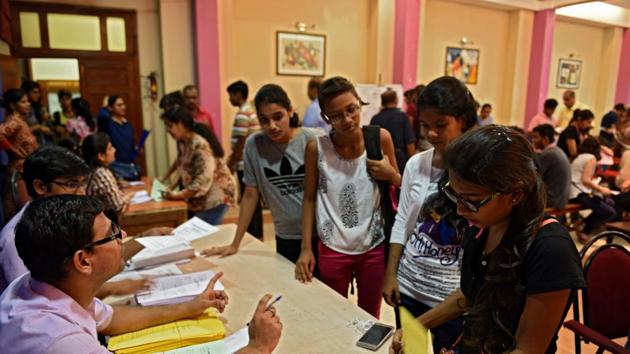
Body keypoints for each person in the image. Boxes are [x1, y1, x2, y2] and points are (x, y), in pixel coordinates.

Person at [0, 195, 282, 354]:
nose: (123, 235)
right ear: (83, 261)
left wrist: (190, 307)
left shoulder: (40, 286)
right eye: (112, 234)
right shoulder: (61, 342)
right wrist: (257, 348)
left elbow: (111, 318)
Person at [391, 125, 586, 354]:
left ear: (515, 194)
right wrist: (416, 326)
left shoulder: (551, 250)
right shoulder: (482, 225)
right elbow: (471, 295)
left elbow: (527, 349)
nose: (461, 210)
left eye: (472, 200)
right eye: (454, 194)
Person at [382, 76, 477, 351]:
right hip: (410, 288)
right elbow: (403, 221)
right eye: (425, 126)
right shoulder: (416, 164)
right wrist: (391, 274)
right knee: (410, 349)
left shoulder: (476, 173)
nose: (432, 134)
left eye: (441, 125)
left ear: (463, 122)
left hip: (450, 300)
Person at [295, 76, 401, 318]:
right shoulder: (317, 148)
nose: (347, 120)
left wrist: (390, 174)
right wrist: (306, 248)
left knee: (370, 316)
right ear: (325, 118)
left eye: (351, 109)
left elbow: (402, 188)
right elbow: (309, 198)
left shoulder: (380, 138)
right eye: (336, 115)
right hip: (333, 247)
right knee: (333, 314)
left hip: (373, 246)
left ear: (360, 103)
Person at [0, 146, 160, 296]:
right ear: (40, 186)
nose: (81, 193)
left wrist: (145, 237)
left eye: (83, 183)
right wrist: (117, 287)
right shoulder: (16, 238)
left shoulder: (65, 221)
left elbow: (102, 254)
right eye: (71, 184)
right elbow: (41, 296)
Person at [202, 84, 322, 263]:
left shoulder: (314, 139)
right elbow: (250, 195)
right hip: (285, 235)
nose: (272, 126)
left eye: (278, 117)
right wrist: (235, 243)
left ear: (290, 111)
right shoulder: (254, 145)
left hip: (320, 234)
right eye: (264, 120)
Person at [161, 107, 236, 225]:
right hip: (200, 197)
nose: (168, 130)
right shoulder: (182, 142)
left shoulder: (200, 145)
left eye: (170, 126)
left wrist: (177, 195)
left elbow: (202, 179)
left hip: (215, 196)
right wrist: (172, 186)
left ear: (180, 124)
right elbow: (183, 168)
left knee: (205, 235)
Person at [226, 80, 263, 239]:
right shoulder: (250, 110)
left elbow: (241, 141)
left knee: (249, 198)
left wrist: (232, 162)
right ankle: (256, 232)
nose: (229, 99)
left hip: (245, 163)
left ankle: (253, 233)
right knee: (254, 200)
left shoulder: (243, 113)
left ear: (238, 95)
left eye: (231, 95)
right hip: (251, 161)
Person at [0, 89, 39, 221]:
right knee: (23, 214)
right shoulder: (14, 121)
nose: (28, 104)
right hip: (19, 172)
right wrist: (13, 151)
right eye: (23, 102)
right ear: (12, 105)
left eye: (28, 101)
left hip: (26, 169)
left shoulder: (20, 121)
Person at [569, 137, 617, 241]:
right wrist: (601, 189)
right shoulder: (591, 158)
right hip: (578, 194)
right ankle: (585, 228)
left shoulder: (579, 156)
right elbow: (586, 180)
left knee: (609, 202)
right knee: (611, 212)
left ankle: (583, 224)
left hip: (572, 192)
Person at [82, 133, 134, 219]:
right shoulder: (101, 173)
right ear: (101, 156)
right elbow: (118, 207)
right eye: (110, 148)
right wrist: (128, 197)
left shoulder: (91, 170)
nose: (114, 150)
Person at [370, 89, 416, 172]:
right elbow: (409, 143)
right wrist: (413, 163)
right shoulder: (402, 117)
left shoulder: (375, 118)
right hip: (400, 159)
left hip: (381, 160)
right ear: (395, 100)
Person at [532, 124, 571, 210]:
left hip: (553, 200)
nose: (533, 140)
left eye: (536, 137)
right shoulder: (558, 150)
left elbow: (532, 176)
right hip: (562, 199)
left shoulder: (549, 154)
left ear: (545, 139)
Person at [101, 95, 139, 180]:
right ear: (110, 108)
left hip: (130, 166)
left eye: (123, 104)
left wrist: (136, 150)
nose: (123, 107)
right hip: (115, 166)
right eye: (119, 105)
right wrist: (104, 107)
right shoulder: (108, 123)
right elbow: (101, 116)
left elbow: (131, 144)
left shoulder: (128, 124)